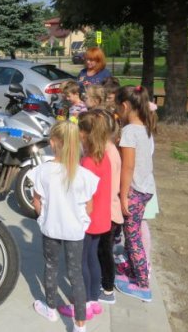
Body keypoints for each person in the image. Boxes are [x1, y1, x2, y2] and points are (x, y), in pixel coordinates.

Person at [31, 121, 99, 332]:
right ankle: (80, 325)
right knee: (75, 274)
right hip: (75, 231)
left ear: (53, 143)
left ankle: (50, 309)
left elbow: (36, 203)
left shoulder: (42, 171)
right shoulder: (84, 175)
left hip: (51, 227)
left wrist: (44, 218)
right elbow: (89, 208)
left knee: (51, 266)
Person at [58, 110, 112, 320]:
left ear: (85, 133)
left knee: (80, 263)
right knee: (92, 258)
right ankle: (94, 299)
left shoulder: (88, 162)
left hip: (88, 219)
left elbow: (82, 193)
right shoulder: (104, 157)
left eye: (79, 130)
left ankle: (85, 303)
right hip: (101, 218)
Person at [114, 85, 156, 302]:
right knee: (133, 234)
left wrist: (123, 196)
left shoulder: (129, 131)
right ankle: (133, 271)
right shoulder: (145, 127)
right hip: (146, 188)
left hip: (135, 191)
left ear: (124, 106)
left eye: (117, 108)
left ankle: (142, 285)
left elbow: (128, 166)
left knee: (132, 238)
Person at [95, 109, 123, 305]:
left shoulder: (108, 153)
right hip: (107, 210)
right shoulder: (108, 148)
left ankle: (107, 289)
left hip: (108, 212)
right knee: (101, 251)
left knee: (104, 252)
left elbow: (109, 187)